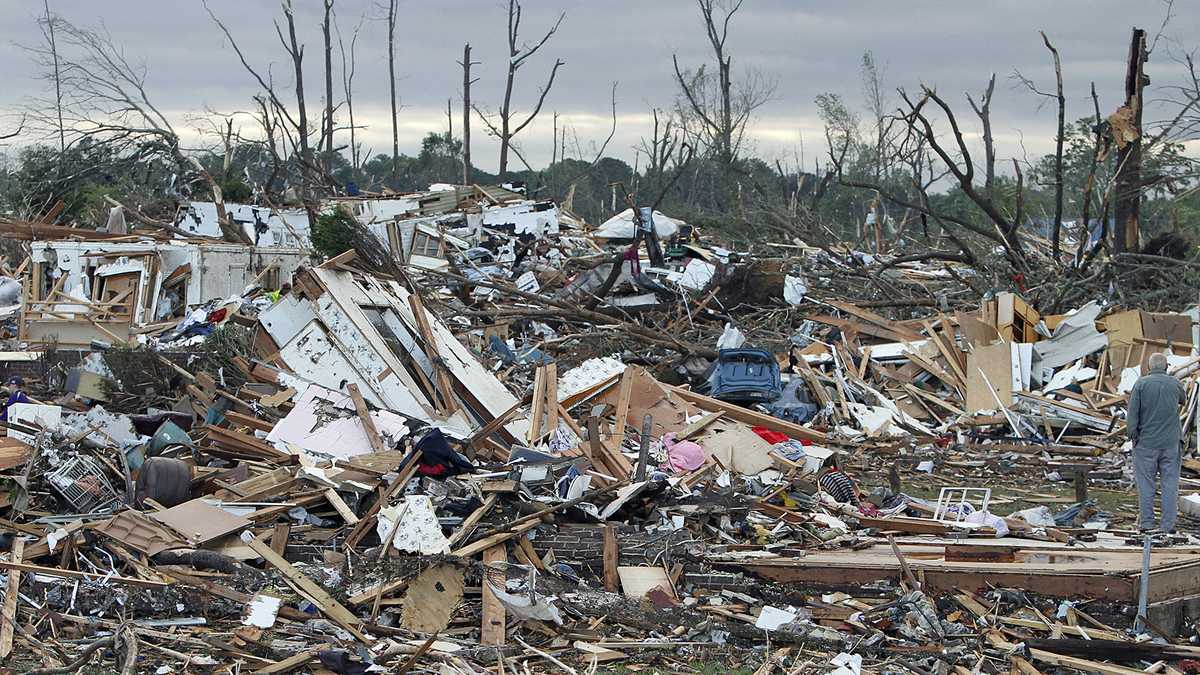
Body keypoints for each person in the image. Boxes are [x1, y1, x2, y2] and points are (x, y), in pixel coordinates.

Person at [1127, 352, 1187, 533]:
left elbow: (1132, 416)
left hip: (1146, 443)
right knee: (1170, 485)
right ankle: (1167, 526)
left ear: (1148, 367)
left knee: (1146, 485)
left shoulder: (1141, 384)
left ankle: (1147, 524)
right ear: (1167, 366)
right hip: (1170, 444)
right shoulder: (1175, 383)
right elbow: (1183, 400)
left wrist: (1134, 436)